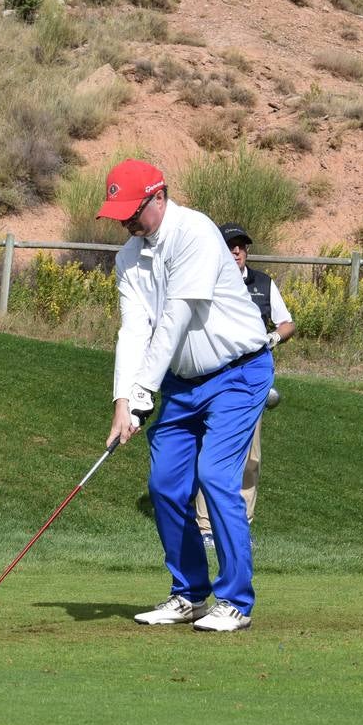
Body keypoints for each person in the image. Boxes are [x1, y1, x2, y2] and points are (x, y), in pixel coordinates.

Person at [98, 159, 273, 633]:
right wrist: (122, 402)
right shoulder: (128, 259)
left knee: (216, 477)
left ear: (159, 197)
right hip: (181, 384)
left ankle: (235, 601)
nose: (125, 223)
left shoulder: (194, 232)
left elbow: (175, 318)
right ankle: (190, 594)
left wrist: (142, 392)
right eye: (118, 214)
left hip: (238, 373)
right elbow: (134, 331)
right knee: (165, 485)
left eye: (132, 211)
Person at [195, 223, 295, 550]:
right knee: (210, 453)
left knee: (250, 457)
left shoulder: (262, 284)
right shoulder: (208, 281)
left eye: (241, 246)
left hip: (251, 382)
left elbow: (286, 322)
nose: (236, 251)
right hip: (215, 378)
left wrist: (274, 337)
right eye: (230, 245)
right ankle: (206, 526)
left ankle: (242, 525)